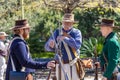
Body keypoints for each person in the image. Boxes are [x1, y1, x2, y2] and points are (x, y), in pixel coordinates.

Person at [45, 13, 82, 80]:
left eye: (68, 23)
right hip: (60, 64)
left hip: (73, 64)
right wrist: (50, 45)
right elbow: (47, 47)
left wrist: (65, 38)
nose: (66, 24)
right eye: (65, 22)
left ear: (72, 23)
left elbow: (77, 45)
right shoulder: (57, 32)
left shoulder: (76, 32)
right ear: (62, 22)